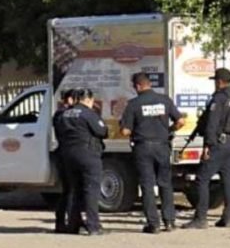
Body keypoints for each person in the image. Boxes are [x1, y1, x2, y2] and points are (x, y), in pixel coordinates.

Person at [120, 72, 185, 234]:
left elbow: (125, 131)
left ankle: (153, 224)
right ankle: (169, 221)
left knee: (147, 185)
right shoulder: (164, 100)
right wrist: (168, 130)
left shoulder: (133, 104)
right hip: (162, 146)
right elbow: (181, 121)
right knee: (165, 184)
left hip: (143, 148)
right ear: (149, 84)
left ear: (138, 86)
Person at [184, 68, 230, 229]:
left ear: (219, 82)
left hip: (218, 143)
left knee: (202, 179)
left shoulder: (219, 98)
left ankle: (200, 218)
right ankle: (228, 217)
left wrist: (208, 145)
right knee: (228, 179)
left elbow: (212, 123)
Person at [53, 88, 108, 236]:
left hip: (67, 155)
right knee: (91, 190)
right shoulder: (88, 113)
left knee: (73, 190)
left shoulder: (63, 114)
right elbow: (102, 131)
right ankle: (93, 226)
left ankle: (73, 225)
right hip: (88, 154)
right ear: (88, 100)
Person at [53, 89, 76, 233]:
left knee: (68, 190)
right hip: (66, 154)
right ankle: (66, 222)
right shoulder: (63, 115)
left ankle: (64, 221)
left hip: (63, 153)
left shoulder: (60, 114)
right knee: (70, 190)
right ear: (69, 100)